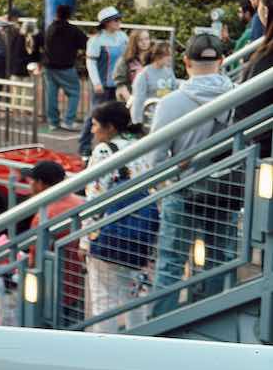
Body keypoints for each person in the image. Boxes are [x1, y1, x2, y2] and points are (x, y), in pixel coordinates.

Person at [149, 32, 239, 318]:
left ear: (186, 62)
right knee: (220, 257)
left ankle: (162, 326)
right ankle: (211, 317)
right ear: (222, 61)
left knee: (172, 262)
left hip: (184, 189)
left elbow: (156, 158)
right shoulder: (241, 94)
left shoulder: (171, 103)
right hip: (226, 188)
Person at [80, 100, 149, 331]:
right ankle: (140, 339)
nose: (92, 130)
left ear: (110, 128)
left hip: (109, 232)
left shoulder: (104, 151)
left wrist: (84, 239)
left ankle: (106, 350)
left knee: (104, 298)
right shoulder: (142, 145)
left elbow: (94, 198)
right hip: (140, 231)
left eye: (95, 124)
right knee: (135, 293)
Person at [17, 158, 84, 324]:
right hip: (76, 283)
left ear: (40, 184)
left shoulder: (45, 216)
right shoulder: (78, 202)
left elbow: (35, 259)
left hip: (51, 290)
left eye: (32, 181)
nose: (29, 186)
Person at [81, 7, 127, 153]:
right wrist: (96, 82)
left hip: (118, 84)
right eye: (116, 19)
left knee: (119, 115)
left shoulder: (123, 37)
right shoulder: (96, 40)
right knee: (95, 114)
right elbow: (90, 62)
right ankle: (85, 146)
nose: (119, 22)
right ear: (106, 23)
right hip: (102, 85)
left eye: (119, 19)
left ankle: (116, 145)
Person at [33, 7, 87, 127]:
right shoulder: (73, 30)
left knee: (51, 94)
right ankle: (68, 120)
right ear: (69, 16)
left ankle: (53, 122)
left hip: (49, 66)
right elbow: (85, 43)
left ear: (56, 14)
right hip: (66, 66)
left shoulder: (49, 28)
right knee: (74, 92)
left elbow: (37, 43)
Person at [130, 38, 178, 126]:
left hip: (167, 116)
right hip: (150, 117)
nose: (170, 58)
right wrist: (137, 122)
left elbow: (174, 91)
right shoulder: (144, 74)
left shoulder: (169, 71)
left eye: (171, 55)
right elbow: (138, 100)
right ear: (157, 56)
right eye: (167, 55)